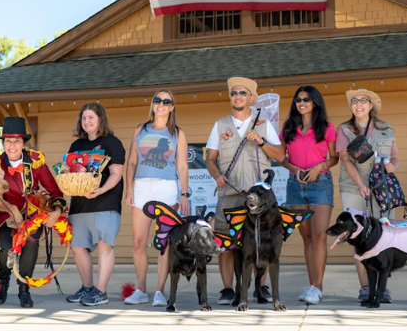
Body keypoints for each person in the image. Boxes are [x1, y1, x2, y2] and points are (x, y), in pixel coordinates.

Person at [0, 117, 65, 308]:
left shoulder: (35, 163)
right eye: (8, 140)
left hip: (31, 217)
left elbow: (55, 191)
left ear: (23, 143)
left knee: (31, 243)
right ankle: (4, 278)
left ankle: (24, 288)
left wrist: (56, 212)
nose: (12, 145)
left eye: (17, 141)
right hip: (2, 217)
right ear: (3, 143)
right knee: (7, 248)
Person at [206, 77, 283, 306]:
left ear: (251, 98)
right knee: (226, 243)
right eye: (233, 93)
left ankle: (261, 288)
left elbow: (279, 155)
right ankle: (228, 290)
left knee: (264, 242)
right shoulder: (220, 125)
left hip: (259, 198)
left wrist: (260, 141)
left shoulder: (264, 124)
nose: (237, 96)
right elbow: (211, 159)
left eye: (242, 93)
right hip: (229, 194)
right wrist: (216, 175)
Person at [123, 89, 190, 306]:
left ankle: (160, 290)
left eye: (166, 101)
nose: (160, 104)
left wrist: (184, 194)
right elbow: (132, 161)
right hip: (142, 187)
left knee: (164, 242)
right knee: (138, 241)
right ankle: (141, 289)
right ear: (152, 104)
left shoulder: (177, 133)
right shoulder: (140, 129)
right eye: (157, 100)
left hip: (167, 188)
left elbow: (181, 165)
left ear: (172, 107)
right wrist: (129, 189)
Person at [336, 89, 399, 303]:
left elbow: (396, 157)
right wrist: (361, 184)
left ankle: (383, 289)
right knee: (358, 236)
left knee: (383, 236)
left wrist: (393, 166)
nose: (358, 104)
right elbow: (345, 159)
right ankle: (365, 287)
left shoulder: (386, 129)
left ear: (371, 105)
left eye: (363, 100)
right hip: (354, 188)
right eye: (354, 101)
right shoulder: (345, 129)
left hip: (381, 189)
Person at [278, 85, 338, 305]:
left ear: (315, 102)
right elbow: (280, 157)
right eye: (298, 100)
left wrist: (318, 167)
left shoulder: (327, 127)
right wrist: (295, 170)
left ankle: (318, 287)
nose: (301, 103)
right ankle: (312, 285)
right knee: (307, 238)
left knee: (320, 235)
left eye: (306, 99)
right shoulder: (287, 128)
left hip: (320, 184)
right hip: (295, 185)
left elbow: (334, 158)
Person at [64, 103, 126, 306]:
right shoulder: (76, 146)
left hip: (105, 203)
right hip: (79, 205)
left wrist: (101, 190)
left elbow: (117, 174)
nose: (87, 121)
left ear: (100, 119)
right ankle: (88, 288)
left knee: (104, 245)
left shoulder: (112, 142)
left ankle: (101, 292)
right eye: (84, 118)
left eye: (91, 117)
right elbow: (68, 171)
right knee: (78, 247)